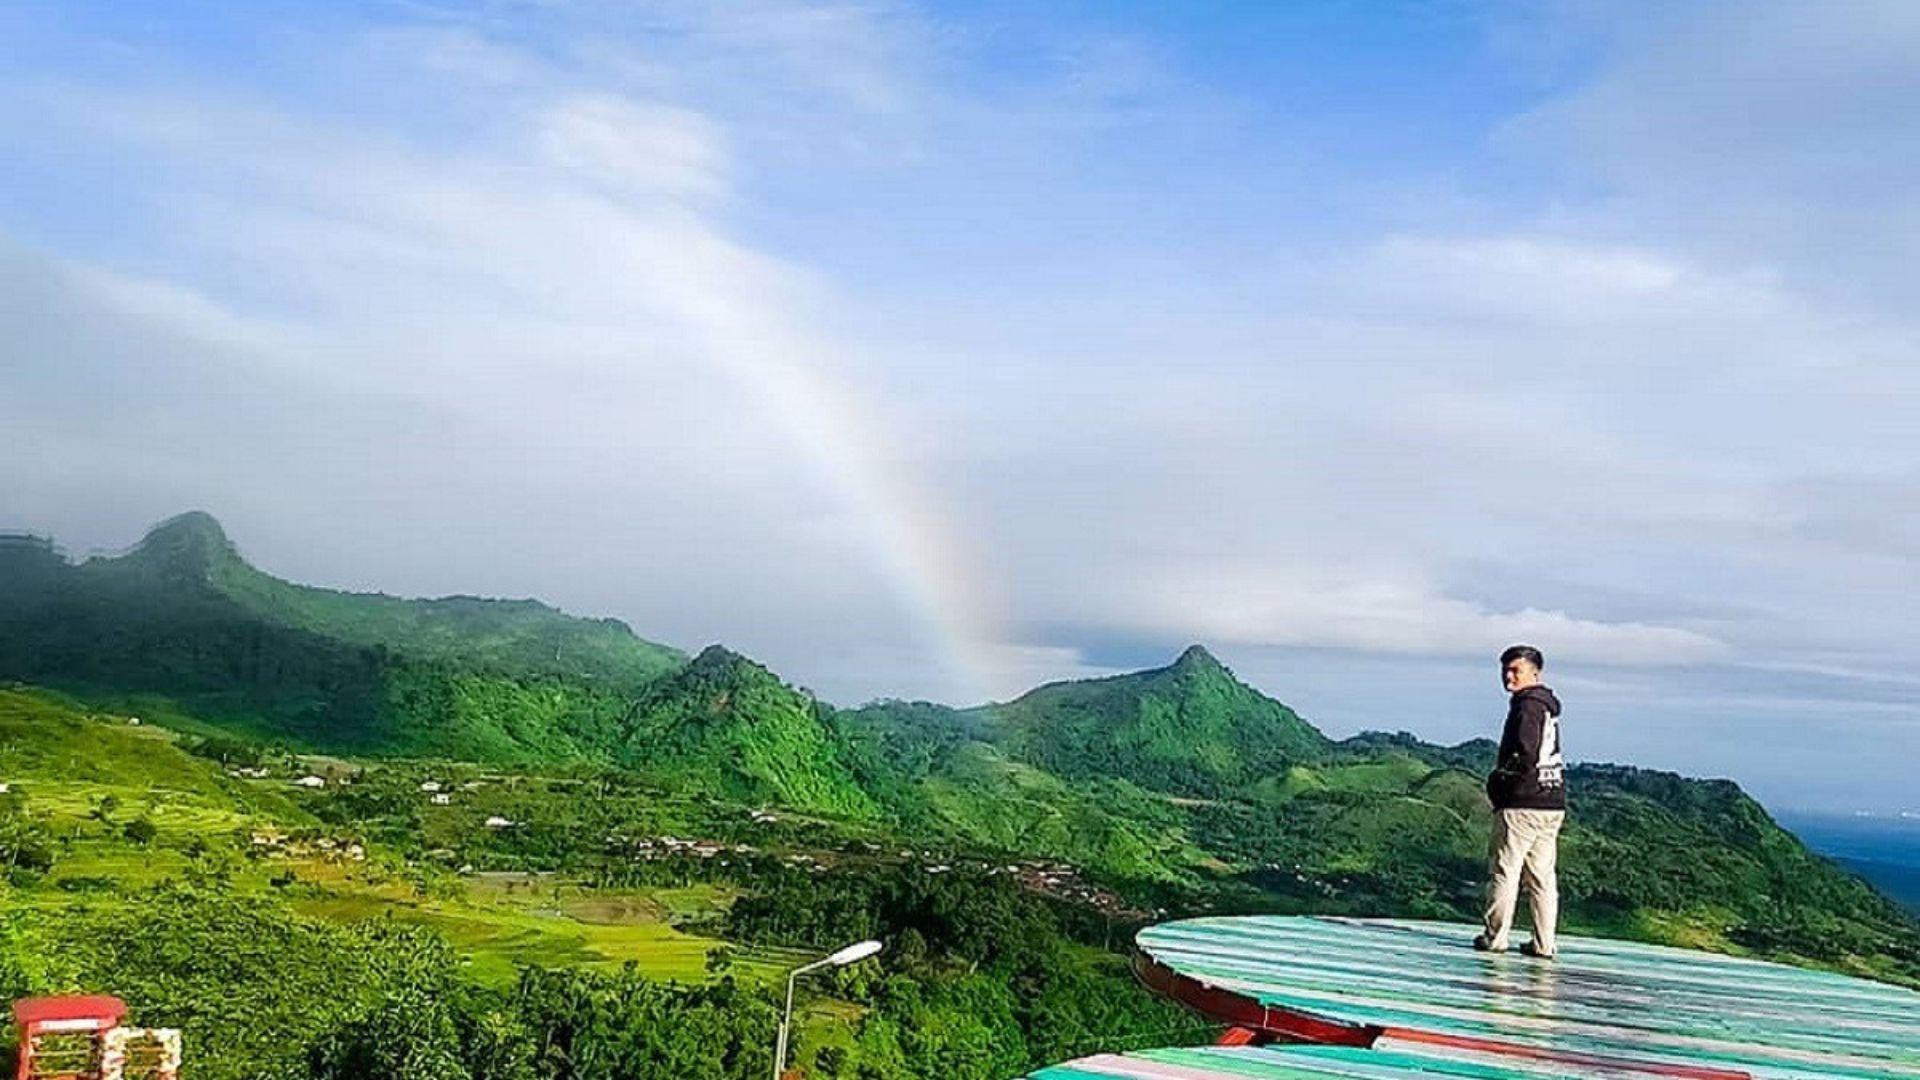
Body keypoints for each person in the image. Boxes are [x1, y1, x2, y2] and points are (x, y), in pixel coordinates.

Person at [1475, 644, 1565, 958]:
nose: (1508, 676)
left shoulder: (1527, 706)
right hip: (1551, 799)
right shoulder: (1547, 706)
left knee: (1505, 870)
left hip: (1523, 801)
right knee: (1542, 876)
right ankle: (1544, 943)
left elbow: (1526, 752)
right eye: (1506, 670)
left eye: (1516, 670)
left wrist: (1500, 780)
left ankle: (1495, 937)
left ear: (1535, 673)